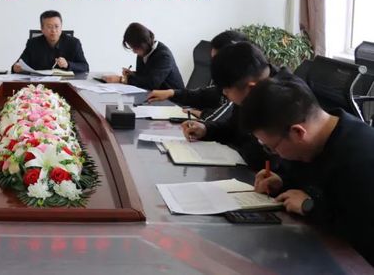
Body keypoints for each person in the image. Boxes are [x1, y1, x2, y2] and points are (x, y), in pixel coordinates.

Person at [241, 78, 374, 266]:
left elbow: (362, 236)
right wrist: (282, 183)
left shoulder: (362, 160)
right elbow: (311, 184)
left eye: (272, 147)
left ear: (298, 132)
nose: (276, 154)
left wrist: (310, 207)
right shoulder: (313, 144)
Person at [179, 41, 298, 170]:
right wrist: (206, 130)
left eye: (226, 90)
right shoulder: (249, 88)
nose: (224, 94)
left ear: (251, 87)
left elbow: (276, 159)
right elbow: (234, 128)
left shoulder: (287, 98)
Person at [146, 30, 249, 117]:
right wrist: (171, 93)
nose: (213, 66)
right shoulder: (226, 83)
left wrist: (199, 114)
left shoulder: (245, 90)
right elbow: (203, 95)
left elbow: (225, 119)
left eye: (217, 61)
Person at [102, 23, 184, 90]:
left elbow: (151, 83)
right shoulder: (143, 51)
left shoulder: (164, 56)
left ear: (143, 44)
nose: (134, 51)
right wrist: (132, 74)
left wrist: (121, 79)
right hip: (153, 96)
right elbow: (144, 76)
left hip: (173, 101)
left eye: (134, 48)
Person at [12, 10, 89, 73]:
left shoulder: (74, 43)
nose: (53, 30)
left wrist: (68, 64)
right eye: (49, 27)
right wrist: (16, 68)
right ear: (42, 29)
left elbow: (85, 67)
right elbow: (19, 64)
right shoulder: (33, 43)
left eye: (56, 26)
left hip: (65, 83)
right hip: (39, 84)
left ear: (61, 27)